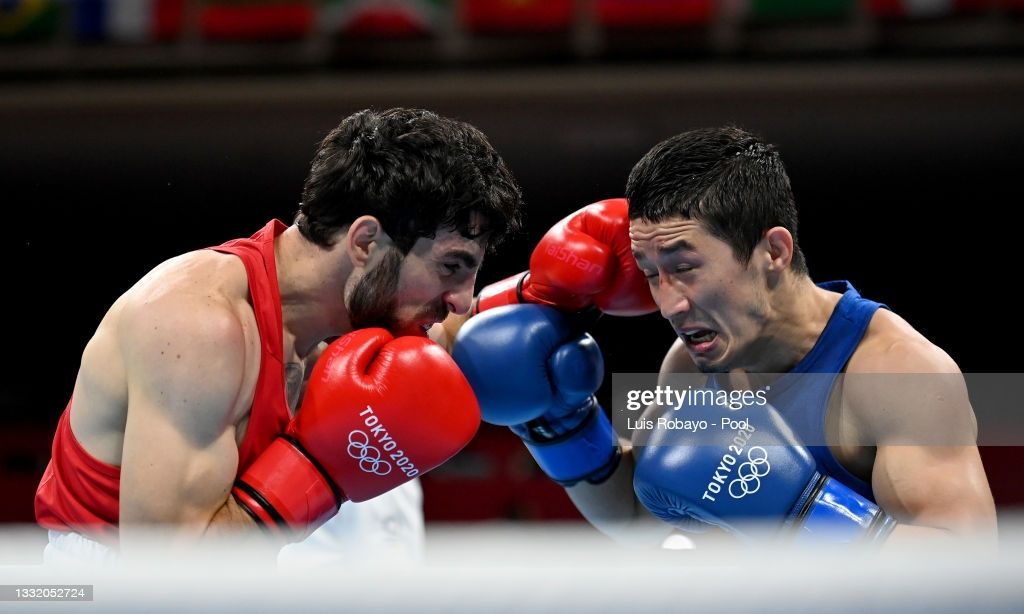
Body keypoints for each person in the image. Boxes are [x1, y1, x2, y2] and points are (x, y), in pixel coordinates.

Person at [452, 126, 996, 548]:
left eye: (685, 267)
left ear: (774, 253)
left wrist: (805, 512)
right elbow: (645, 517)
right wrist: (562, 425)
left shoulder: (898, 373)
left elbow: (968, 572)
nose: (667, 304)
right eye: (648, 272)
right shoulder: (689, 366)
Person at [34, 107, 525, 562]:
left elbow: (467, 328)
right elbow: (167, 578)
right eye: (451, 267)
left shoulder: (350, 312)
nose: (461, 298)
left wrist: (546, 293)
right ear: (366, 242)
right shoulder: (200, 328)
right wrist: (319, 472)